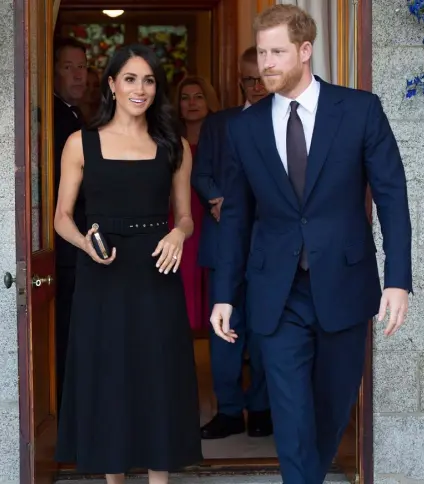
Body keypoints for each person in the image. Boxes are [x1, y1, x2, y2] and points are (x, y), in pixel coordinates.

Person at [210, 5, 412, 484]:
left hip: (345, 284)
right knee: (291, 413)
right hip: (277, 294)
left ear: (305, 51)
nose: (267, 64)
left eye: (277, 51)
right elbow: (236, 217)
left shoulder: (360, 109)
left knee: (330, 408)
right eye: (262, 53)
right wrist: (224, 293)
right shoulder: (244, 127)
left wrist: (398, 280)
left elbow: (391, 196)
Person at [54, 44, 202, 484]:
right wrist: (85, 242)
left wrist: (178, 233)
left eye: (149, 80)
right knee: (110, 380)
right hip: (102, 275)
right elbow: (61, 218)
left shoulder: (173, 145)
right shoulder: (81, 143)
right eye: (131, 79)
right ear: (112, 85)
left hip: (157, 275)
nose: (141, 89)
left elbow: (186, 217)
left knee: (159, 378)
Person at [192, 47, 272, 440]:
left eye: (263, 78)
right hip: (224, 239)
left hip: (270, 245)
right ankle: (227, 410)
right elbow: (201, 172)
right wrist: (216, 198)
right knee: (223, 330)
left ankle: (260, 408)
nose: (257, 86)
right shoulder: (218, 124)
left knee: (263, 329)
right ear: (238, 81)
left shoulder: (286, 121)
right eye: (249, 80)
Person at [53, 36, 88, 410]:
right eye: (68, 67)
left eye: (82, 67)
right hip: (65, 244)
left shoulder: (77, 114)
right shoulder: (56, 117)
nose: (78, 75)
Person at [170, 76, 221, 331]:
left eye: (198, 97)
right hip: (178, 217)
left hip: (211, 215)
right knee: (184, 278)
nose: (191, 103)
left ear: (209, 101)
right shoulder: (168, 141)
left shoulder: (223, 137)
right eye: (185, 98)